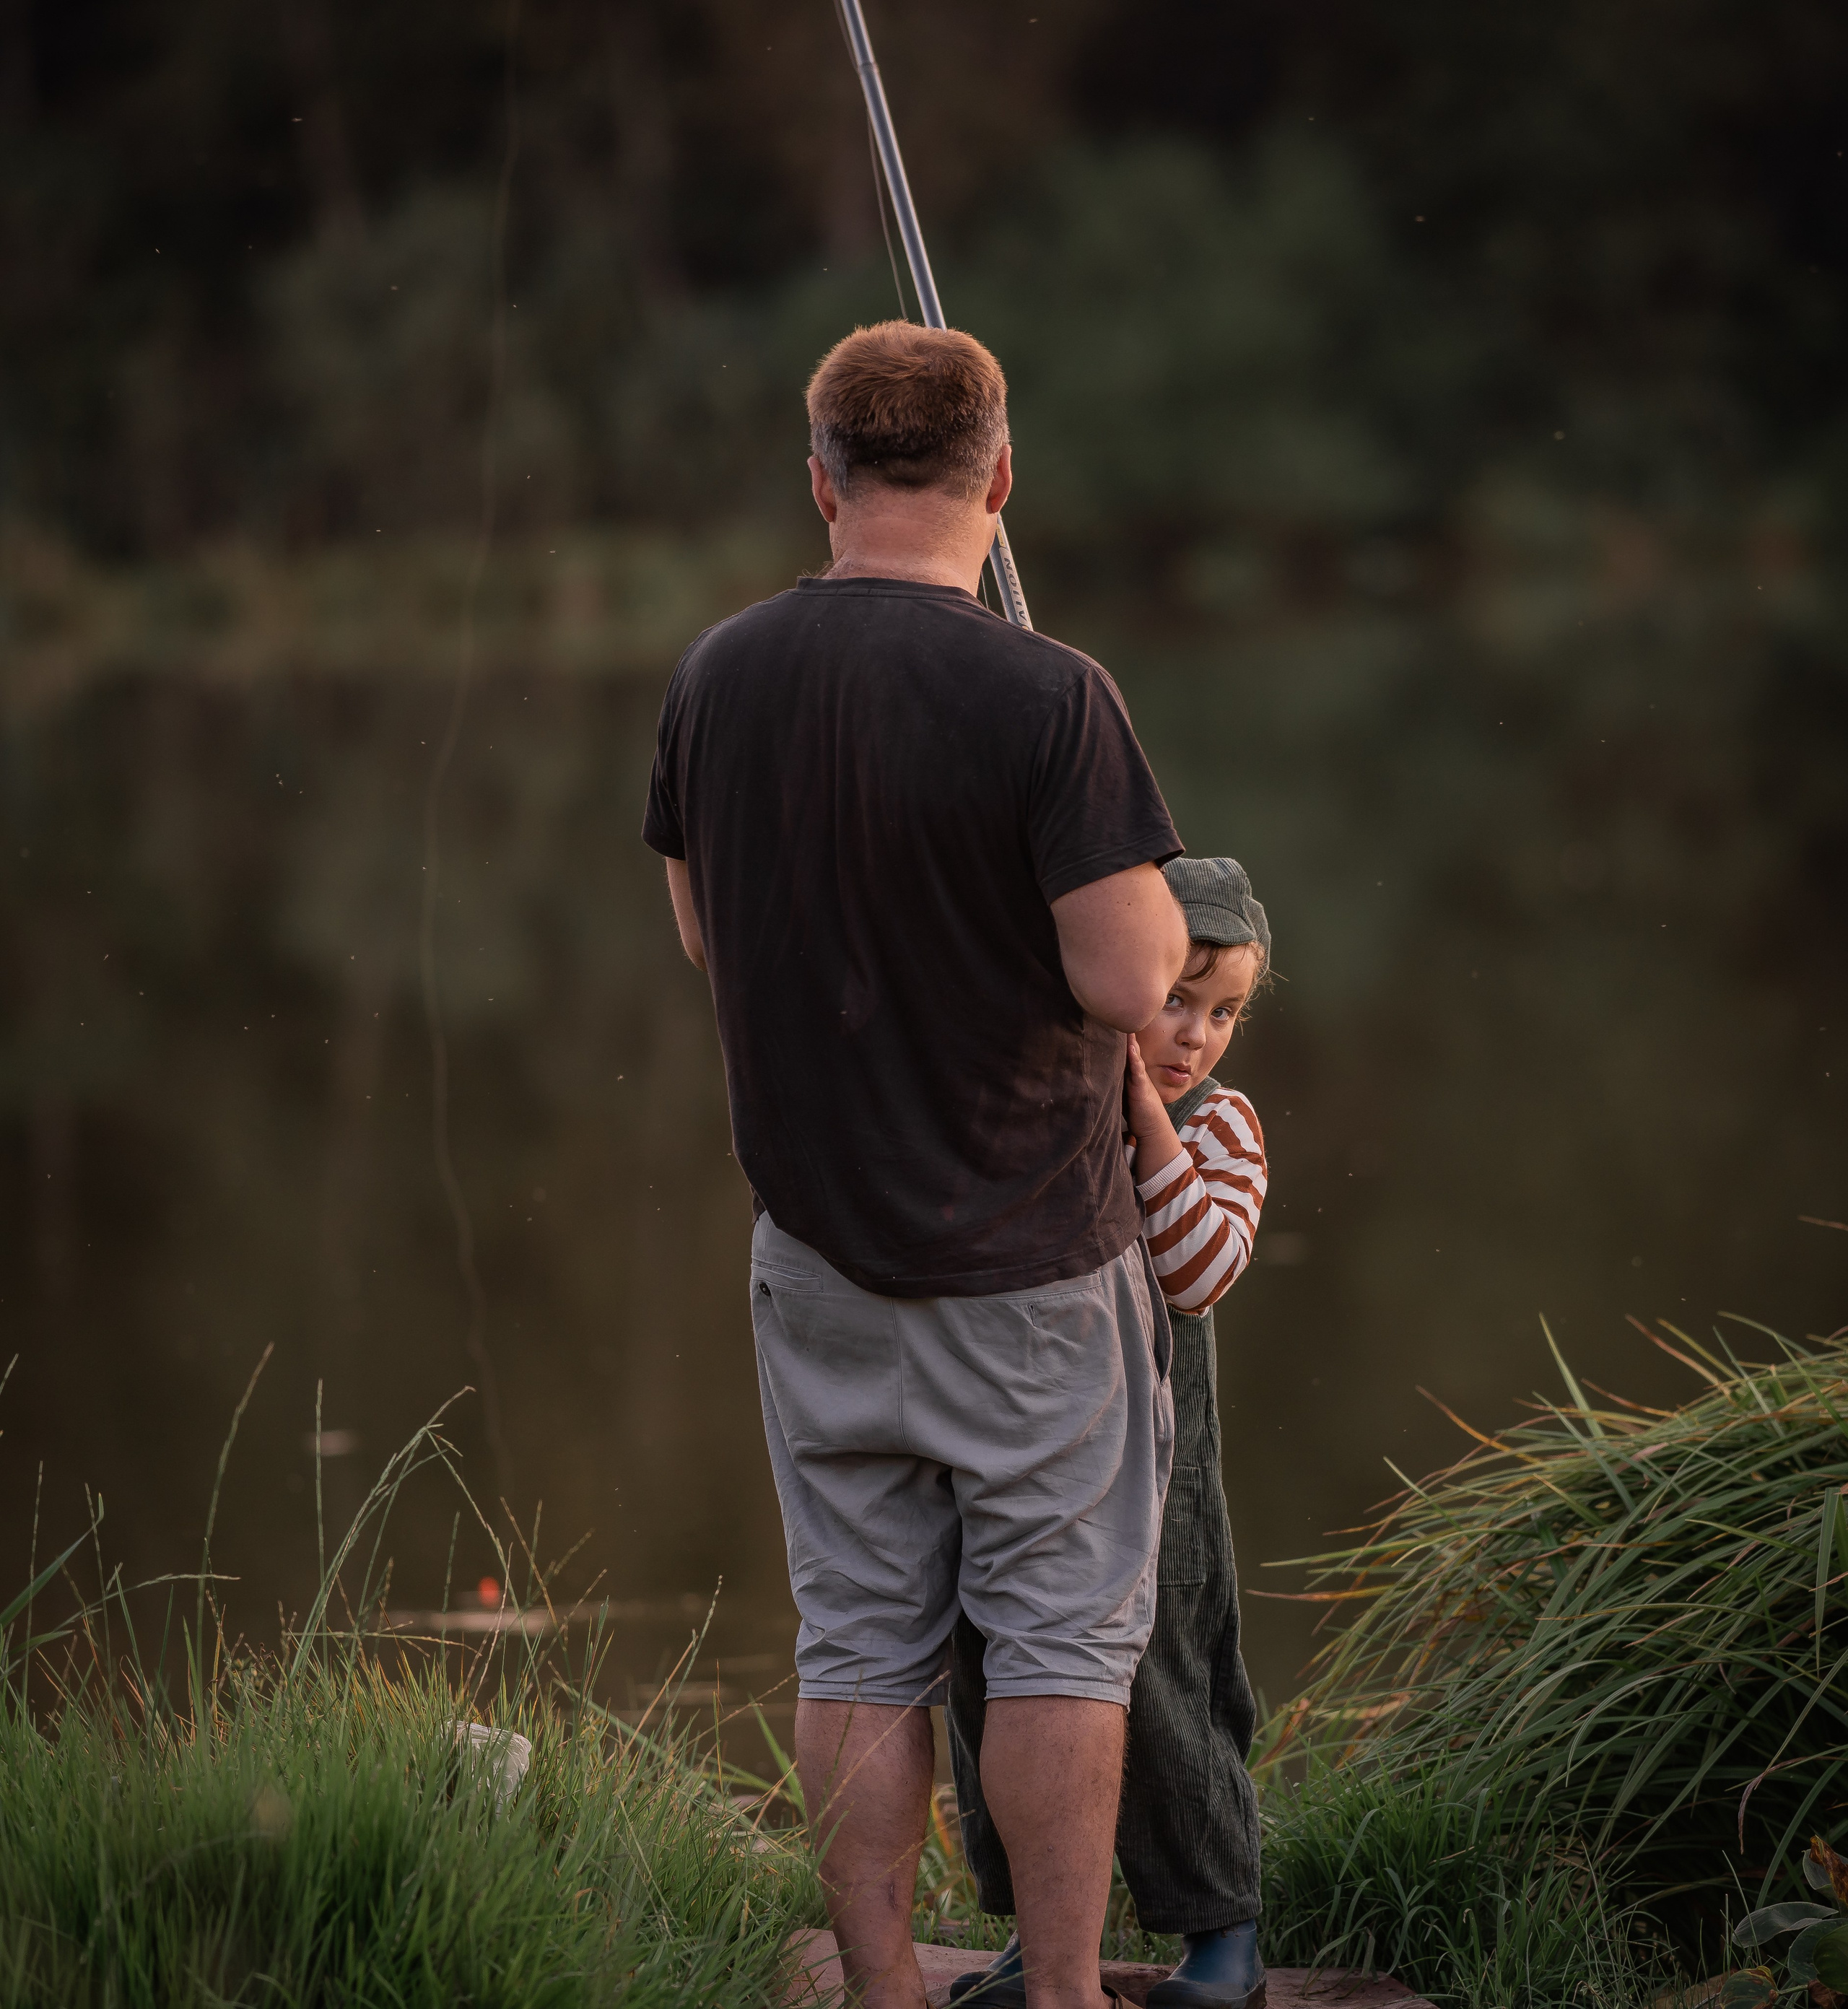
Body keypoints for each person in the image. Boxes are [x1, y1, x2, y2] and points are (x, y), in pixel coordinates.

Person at [642, 319, 1190, 2009]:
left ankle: (880, 1990)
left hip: (812, 1254)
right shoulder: (1051, 693)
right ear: (1000, 479)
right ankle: (1063, 1996)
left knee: (857, 1638)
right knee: (1057, 1640)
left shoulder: (716, 673)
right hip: (1030, 1260)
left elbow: (704, 932)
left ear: (820, 482)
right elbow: (1131, 982)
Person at [948, 857, 1273, 2009]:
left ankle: (1221, 1932)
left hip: (1164, 1457)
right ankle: (1044, 1939)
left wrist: (1143, 1116)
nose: (1194, 1035)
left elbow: (1198, 1270)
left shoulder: (1219, 1123)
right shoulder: (1046, 1105)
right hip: (1031, 1430)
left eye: (1223, 1012)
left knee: (1170, 1672)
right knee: (994, 1658)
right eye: (1175, 998)